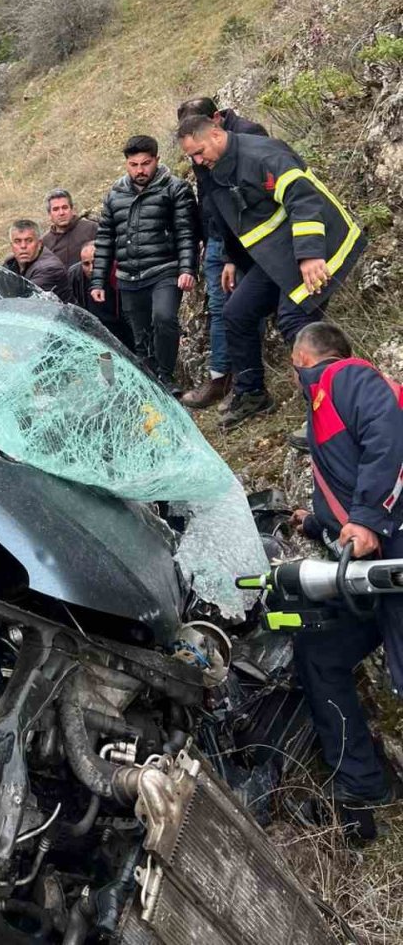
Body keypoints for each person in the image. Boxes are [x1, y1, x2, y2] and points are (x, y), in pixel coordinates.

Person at [177, 115, 366, 429]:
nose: (197, 160)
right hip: (278, 254)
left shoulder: (262, 154)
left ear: (216, 134)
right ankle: (252, 394)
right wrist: (231, 259)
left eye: (199, 152)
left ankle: (335, 408)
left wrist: (309, 255)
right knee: (237, 312)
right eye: (191, 156)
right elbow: (231, 219)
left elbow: (304, 199)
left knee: (295, 321)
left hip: (319, 246)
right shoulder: (215, 167)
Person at [288, 321, 403, 839]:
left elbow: (389, 435)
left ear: (303, 358)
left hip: (393, 553)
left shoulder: (346, 376)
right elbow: (347, 481)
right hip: (370, 572)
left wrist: (368, 516)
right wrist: (316, 522)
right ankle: (361, 782)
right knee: (321, 654)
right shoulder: (321, 407)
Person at [175, 96, 267, 410]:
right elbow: (210, 197)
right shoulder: (199, 149)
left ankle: (246, 380)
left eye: (199, 150)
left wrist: (231, 254)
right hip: (218, 235)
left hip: (247, 238)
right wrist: (210, 238)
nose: (198, 159)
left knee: (245, 306)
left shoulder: (249, 135)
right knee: (219, 306)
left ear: (215, 121)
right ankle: (222, 378)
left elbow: (249, 199)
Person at [90, 135, 197, 392]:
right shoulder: (115, 195)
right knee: (141, 336)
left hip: (165, 269)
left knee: (164, 318)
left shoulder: (175, 189)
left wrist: (187, 268)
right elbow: (105, 239)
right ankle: (150, 381)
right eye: (134, 165)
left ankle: (166, 377)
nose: (140, 170)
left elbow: (187, 232)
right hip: (129, 275)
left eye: (146, 164)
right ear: (126, 164)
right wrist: (98, 280)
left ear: (156, 160)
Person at [66, 242, 134, 350]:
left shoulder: (120, 275)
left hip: (122, 335)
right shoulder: (74, 275)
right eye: (86, 264)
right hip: (91, 335)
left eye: (95, 263)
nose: (91, 269)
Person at [4, 219, 72, 303]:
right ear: (11, 245)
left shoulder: (49, 268)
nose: (23, 246)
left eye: (29, 240)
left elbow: (25, 300)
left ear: (39, 244)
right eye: (17, 241)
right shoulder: (11, 262)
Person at [40, 189, 98, 270]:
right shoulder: (45, 242)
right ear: (49, 214)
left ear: (72, 209)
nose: (61, 213)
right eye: (56, 209)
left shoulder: (92, 228)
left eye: (65, 207)